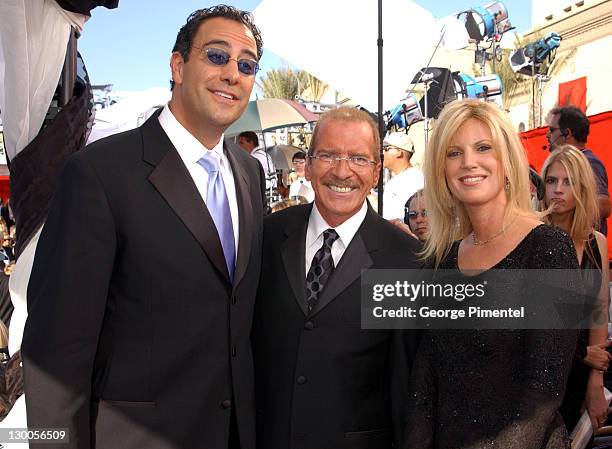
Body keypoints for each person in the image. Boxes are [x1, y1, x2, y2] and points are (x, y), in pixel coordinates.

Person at [22, 6, 265, 449]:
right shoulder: (99, 173)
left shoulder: (250, 175)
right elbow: (54, 354)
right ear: (177, 65)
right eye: (217, 56)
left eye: (246, 65)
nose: (233, 73)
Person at [404, 99, 579, 449]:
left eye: (483, 148)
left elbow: (543, 392)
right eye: (454, 152)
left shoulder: (549, 249)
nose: (469, 162)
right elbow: (426, 379)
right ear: (442, 170)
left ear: (508, 161)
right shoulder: (444, 260)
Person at [252, 107, 421, 449]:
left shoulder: (405, 259)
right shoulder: (267, 236)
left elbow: (405, 384)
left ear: (376, 172)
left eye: (358, 159)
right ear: (309, 164)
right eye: (328, 155)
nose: (342, 171)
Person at [541, 145, 611, 433]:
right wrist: (583, 353)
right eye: (551, 180)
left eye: (568, 182)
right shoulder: (532, 235)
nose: (558, 189)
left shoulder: (595, 242)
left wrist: (595, 379)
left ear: (582, 187)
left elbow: (598, 312)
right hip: (540, 374)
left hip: (580, 372)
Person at [546, 105, 610, 235]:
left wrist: (567, 209)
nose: (547, 135)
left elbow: (604, 206)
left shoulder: (589, 162)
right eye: (551, 181)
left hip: (583, 249)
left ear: (567, 133)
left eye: (552, 130)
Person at [381, 132, 424, 220]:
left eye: (386, 149)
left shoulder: (416, 179)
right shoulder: (394, 180)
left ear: (399, 153)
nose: (382, 153)